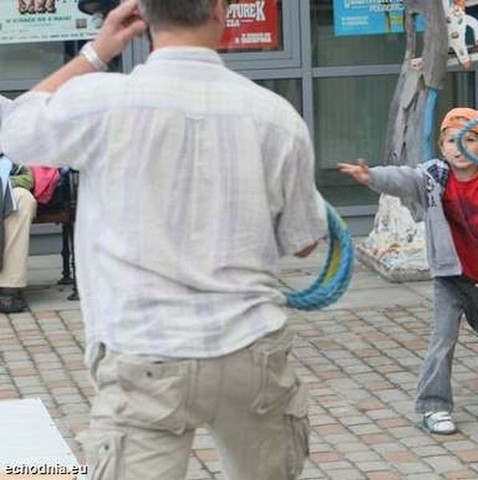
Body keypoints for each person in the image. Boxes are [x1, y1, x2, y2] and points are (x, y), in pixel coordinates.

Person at [1, 1, 328, 479]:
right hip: (251, 349)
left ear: (142, 16)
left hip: (143, 353)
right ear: (221, 10)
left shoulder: (100, 103)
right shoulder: (275, 117)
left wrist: (97, 51)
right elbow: (303, 242)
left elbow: (12, 133)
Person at [338, 107, 478, 435]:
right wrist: (370, 177)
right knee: (442, 338)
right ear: (442, 146)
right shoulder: (432, 178)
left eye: (470, 139)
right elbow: (402, 178)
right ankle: (434, 406)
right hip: (448, 278)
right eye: (452, 140)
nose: (460, 147)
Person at [0, 95, 38, 314]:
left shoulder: (5, 107)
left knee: (23, 200)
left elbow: (26, 162)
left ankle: (9, 288)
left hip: (5, 181)